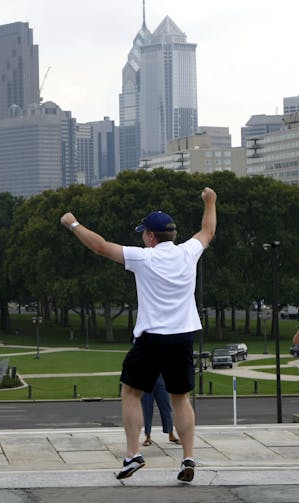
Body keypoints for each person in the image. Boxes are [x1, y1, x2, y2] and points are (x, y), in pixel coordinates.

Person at [60, 186, 216, 482]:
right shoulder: (187, 253)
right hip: (183, 335)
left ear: (151, 236)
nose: (142, 236)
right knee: (181, 398)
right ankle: (188, 457)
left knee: (131, 393)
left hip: (153, 337)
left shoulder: (144, 257)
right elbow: (207, 230)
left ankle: (133, 454)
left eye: (144, 232)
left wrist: (73, 223)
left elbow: (101, 247)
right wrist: (211, 201)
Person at [141, 374, 179, 446]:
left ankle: (171, 434)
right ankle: (148, 436)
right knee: (147, 410)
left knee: (166, 408)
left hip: (161, 379)